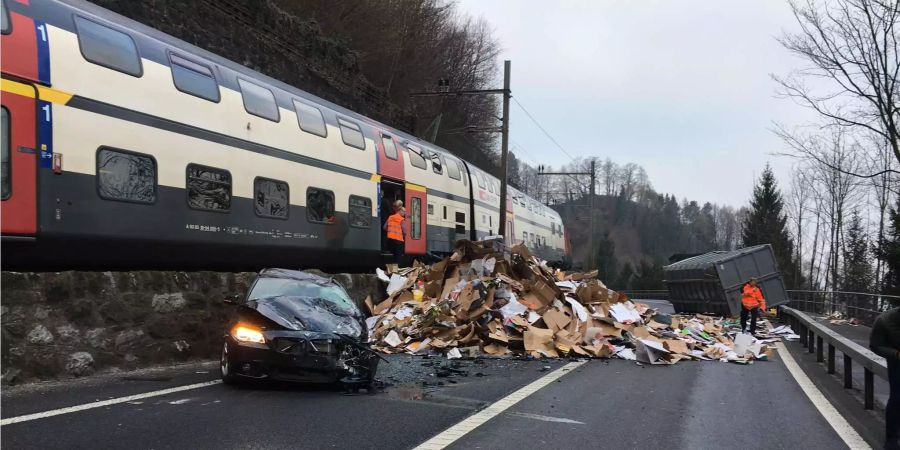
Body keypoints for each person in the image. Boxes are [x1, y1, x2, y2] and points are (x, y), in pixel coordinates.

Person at [871, 305, 900, 450]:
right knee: (897, 399)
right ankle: (892, 438)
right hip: (898, 364)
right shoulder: (885, 320)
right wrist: (896, 354)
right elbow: (876, 345)